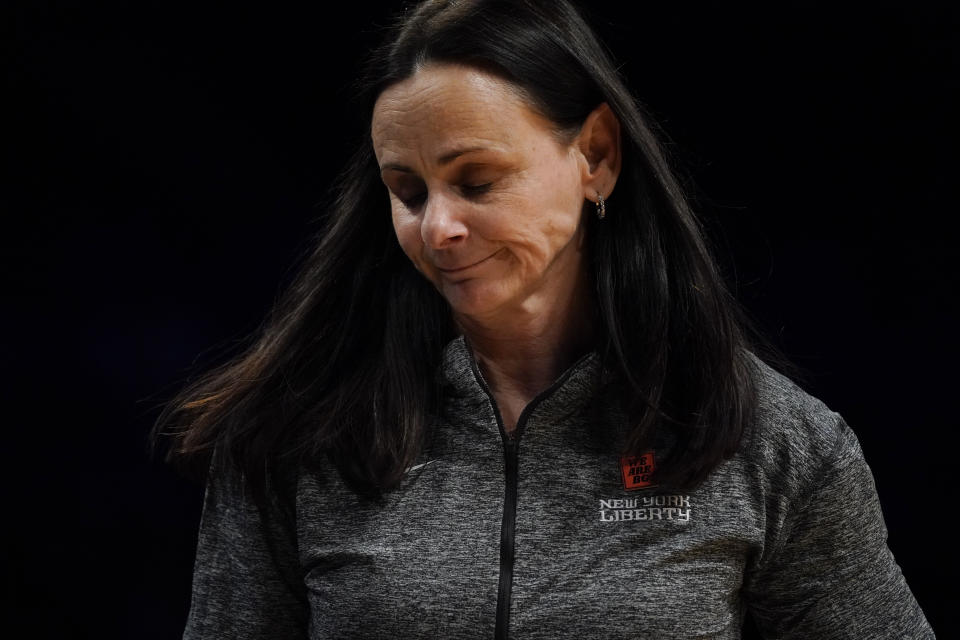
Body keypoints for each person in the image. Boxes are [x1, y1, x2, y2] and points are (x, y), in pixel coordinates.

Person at [154, 0, 935, 637]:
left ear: (594, 154)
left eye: (478, 180)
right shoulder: (293, 436)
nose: (438, 228)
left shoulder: (774, 443)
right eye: (409, 190)